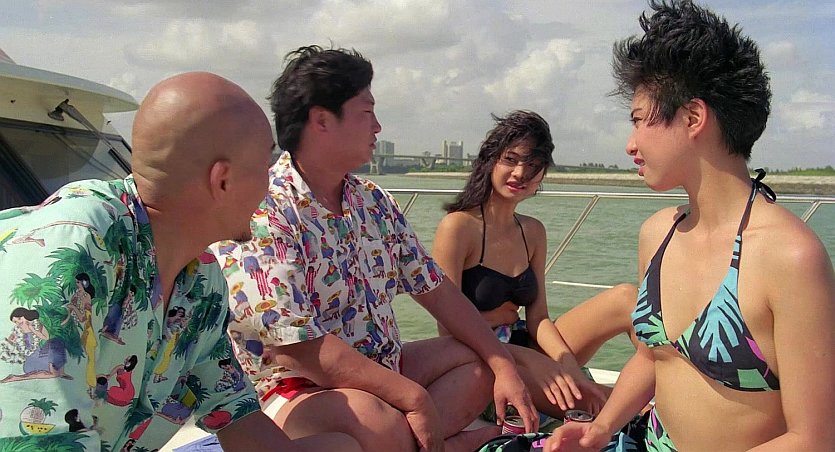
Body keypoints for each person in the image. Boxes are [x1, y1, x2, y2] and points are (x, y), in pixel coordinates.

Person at [0, 72, 359, 452]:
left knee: (339, 447)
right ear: (222, 180)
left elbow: (232, 411)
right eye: (262, 166)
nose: (268, 184)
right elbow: (40, 440)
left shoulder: (199, 280)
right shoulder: (71, 247)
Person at [211, 45, 538, 452]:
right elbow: (297, 349)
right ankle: (442, 443)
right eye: (367, 112)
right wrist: (413, 399)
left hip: (383, 367)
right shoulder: (265, 208)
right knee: (375, 419)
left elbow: (436, 290)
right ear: (322, 120)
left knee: (479, 363)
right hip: (294, 389)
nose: (378, 126)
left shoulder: (373, 201)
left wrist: (502, 364)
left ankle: (416, 441)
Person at [546, 1, 835, 450]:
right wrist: (600, 429)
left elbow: (813, 438)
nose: (630, 144)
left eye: (638, 120)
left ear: (693, 118)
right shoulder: (658, 233)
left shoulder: (789, 257)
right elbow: (654, 358)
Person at [432, 110, 638, 418]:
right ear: (490, 160)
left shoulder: (532, 231)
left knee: (626, 298)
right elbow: (447, 329)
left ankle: (681, 380)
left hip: (526, 341)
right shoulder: (458, 227)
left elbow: (538, 317)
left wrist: (568, 364)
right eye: (511, 159)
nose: (520, 173)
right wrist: (526, 357)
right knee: (608, 404)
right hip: (482, 358)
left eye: (533, 165)